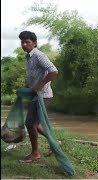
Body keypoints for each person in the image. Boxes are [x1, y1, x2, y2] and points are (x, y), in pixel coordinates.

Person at [18, 31, 58, 162]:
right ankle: (55, 142)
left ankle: (35, 153)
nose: (24, 44)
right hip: (35, 94)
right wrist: (28, 87)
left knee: (30, 123)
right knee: (35, 123)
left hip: (43, 95)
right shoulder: (29, 57)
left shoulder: (39, 55)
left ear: (34, 43)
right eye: (22, 42)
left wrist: (39, 86)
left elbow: (53, 71)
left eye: (27, 42)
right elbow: (34, 75)